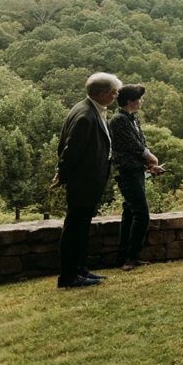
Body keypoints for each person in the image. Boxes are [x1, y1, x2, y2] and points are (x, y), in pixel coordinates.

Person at [55, 72, 121, 288]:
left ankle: (81, 270)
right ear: (101, 94)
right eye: (113, 93)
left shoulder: (88, 109)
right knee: (74, 229)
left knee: (82, 228)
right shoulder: (85, 116)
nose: (116, 96)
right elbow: (70, 150)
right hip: (82, 182)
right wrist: (62, 174)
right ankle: (69, 276)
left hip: (89, 182)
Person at [109, 84, 164, 271]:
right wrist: (150, 158)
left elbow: (141, 142)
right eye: (139, 98)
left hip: (136, 170)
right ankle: (131, 257)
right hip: (127, 172)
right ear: (130, 101)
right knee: (141, 214)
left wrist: (150, 166)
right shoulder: (118, 120)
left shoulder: (132, 118)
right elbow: (133, 145)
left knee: (129, 213)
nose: (142, 101)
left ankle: (123, 257)